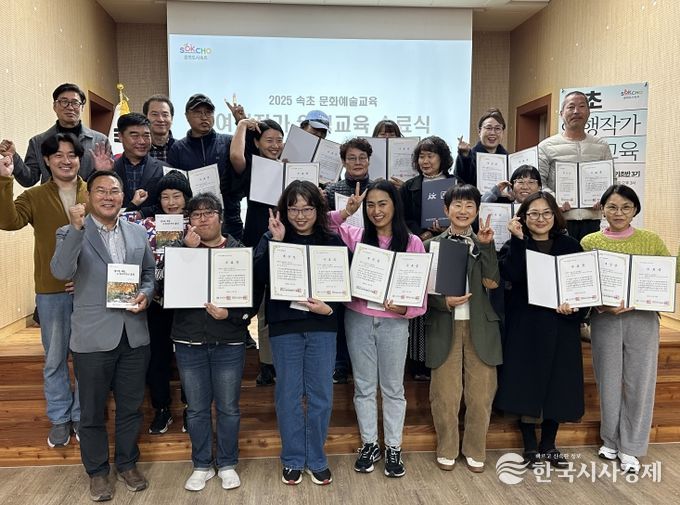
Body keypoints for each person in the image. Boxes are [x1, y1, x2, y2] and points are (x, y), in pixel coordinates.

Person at [51, 170, 155, 502]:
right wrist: (76, 230)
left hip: (134, 335)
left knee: (130, 408)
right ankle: (97, 472)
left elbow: (149, 274)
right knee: (92, 412)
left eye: (114, 190)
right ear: (88, 196)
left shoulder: (138, 232)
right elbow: (61, 271)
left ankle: (127, 464)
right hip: (92, 338)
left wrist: (147, 294)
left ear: (123, 196)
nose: (108, 196)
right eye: (101, 191)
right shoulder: (70, 230)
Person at [0, 134, 95, 448]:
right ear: (46, 160)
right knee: (55, 359)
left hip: (88, 291)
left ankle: (81, 415)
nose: (66, 161)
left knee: (85, 358)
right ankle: (59, 417)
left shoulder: (93, 192)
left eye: (72, 155)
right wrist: (5, 179)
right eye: (58, 155)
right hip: (51, 291)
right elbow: (9, 221)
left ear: (80, 159)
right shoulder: (35, 195)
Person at [330, 180, 427, 478]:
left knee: (393, 388)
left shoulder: (412, 243)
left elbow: (420, 297)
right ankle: (369, 444)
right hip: (358, 319)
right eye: (370, 205)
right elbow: (325, 225)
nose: (376, 211)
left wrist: (404, 310)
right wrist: (347, 211)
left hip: (394, 324)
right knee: (364, 386)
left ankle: (394, 447)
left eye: (382, 203)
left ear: (395, 205)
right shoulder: (357, 236)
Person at [254, 181, 343, 486]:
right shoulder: (274, 237)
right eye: (293, 209)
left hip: (322, 327)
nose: (300, 215)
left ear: (318, 210)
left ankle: (316, 458)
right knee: (288, 395)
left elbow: (344, 286)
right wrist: (276, 242)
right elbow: (259, 277)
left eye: (307, 209)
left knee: (321, 396)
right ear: (284, 210)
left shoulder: (332, 242)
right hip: (285, 328)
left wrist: (329, 309)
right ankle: (292, 458)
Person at [581, 184, 674, 473]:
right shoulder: (589, 242)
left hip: (642, 319)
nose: (618, 213)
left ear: (635, 210)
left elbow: (668, 277)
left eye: (626, 207)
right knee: (607, 381)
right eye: (612, 207)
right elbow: (583, 285)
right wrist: (601, 305)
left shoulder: (651, 240)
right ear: (602, 209)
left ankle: (631, 447)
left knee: (640, 383)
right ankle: (610, 440)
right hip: (605, 319)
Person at [172, 193, 258, 492]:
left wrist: (230, 315)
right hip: (189, 341)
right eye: (196, 214)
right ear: (189, 221)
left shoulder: (238, 251)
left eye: (209, 213)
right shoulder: (179, 250)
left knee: (228, 408)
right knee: (196, 409)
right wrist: (185, 252)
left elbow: (252, 300)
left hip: (229, 342)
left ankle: (228, 463)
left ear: (221, 217)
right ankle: (201, 465)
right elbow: (163, 290)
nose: (203, 218)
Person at [495, 191, 584, 468]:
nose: (540, 219)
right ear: (523, 217)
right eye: (533, 213)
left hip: (561, 326)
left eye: (546, 213)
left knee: (558, 385)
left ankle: (549, 444)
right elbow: (511, 275)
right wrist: (518, 240)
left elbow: (582, 286)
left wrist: (575, 307)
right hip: (526, 326)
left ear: (555, 215)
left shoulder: (570, 246)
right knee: (526, 383)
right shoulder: (514, 245)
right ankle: (530, 446)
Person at [425, 184, 501, 473]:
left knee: (481, 394)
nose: (463, 210)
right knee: (445, 394)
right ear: (446, 210)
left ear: (477, 210)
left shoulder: (484, 241)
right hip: (445, 325)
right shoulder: (432, 245)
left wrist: (486, 246)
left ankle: (475, 449)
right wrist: (444, 302)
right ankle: (447, 447)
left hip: (480, 327)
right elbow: (424, 292)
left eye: (470, 205)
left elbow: (492, 282)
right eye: (457, 205)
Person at [131, 170, 193, 435]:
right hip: (155, 301)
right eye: (165, 197)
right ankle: (162, 409)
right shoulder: (147, 224)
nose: (171, 202)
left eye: (176, 196)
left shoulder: (198, 223)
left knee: (189, 357)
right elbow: (121, 223)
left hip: (188, 302)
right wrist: (135, 204)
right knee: (157, 356)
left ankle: (192, 408)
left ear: (186, 198)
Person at [401, 136, 460, 381]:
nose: (425, 161)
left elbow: (467, 213)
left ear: (442, 158)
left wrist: (446, 228)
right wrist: (422, 234)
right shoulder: (409, 187)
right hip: (419, 249)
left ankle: (445, 359)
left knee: (443, 302)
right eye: (421, 156)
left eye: (430, 156)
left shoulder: (456, 184)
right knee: (420, 301)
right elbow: (403, 218)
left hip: (450, 247)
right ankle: (418, 362)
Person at [231, 118, 285, 386]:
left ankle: (276, 362)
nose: (275, 145)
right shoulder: (253, 165)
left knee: (279, 304)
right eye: (269, 140)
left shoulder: (291, 168)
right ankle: (266, 364)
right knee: (260, 305)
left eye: (279, 140)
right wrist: (242, 124)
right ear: (257, 142)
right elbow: (236, 157)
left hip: (287, 241)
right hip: (257, 240)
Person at [0, 83, 110, 187]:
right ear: (55, 106)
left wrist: (102, 171)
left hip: (88, 199)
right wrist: (13, 156)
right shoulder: (38, 142)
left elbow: (109, 179)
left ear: (82, 108)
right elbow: (29, 179)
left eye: (75, 103)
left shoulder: (100, 141)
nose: (70, 107)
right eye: (64, 102)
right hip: (50, 199)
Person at [538, 90, 613, 241]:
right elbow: (539, 183)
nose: (576, 111)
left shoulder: (601, 146)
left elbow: (612, 182)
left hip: (591, 220)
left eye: (582, 106)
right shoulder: (546, 146)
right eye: (571, 107)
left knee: (588, 255)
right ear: (562, 113)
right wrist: (555, 200)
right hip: (558, 219)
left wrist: (605, 199)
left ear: (589, 112)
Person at [167, 94, 243, 241]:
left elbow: (248, 163)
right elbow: (174, 186)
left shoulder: (228, 142)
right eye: (198, 113)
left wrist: (241, 121)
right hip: (195, 221)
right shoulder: (178, 148)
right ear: (187, 116)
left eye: (208, 113)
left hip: (229, 217)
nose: (204, 117)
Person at [113, 113, 165, 218]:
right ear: (120, 137)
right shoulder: (110, 169)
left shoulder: (165, 169)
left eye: (146, 135)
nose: (142, 141)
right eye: (135, 136)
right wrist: (100, 170)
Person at [453, 108, 508, 187]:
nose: (493, 133)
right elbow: (461, 182)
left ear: (502, 132)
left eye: (497, 128)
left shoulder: (508, 159)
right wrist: (464, 157)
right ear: (479, 131)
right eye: (488, 128)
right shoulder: (469, 157)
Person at [143, 94, 175, 162]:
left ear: (171, 119)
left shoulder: (182, 149)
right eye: (154, 114)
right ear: (145, 118)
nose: (160, 119)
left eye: (165, 115)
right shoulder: (137, 149)